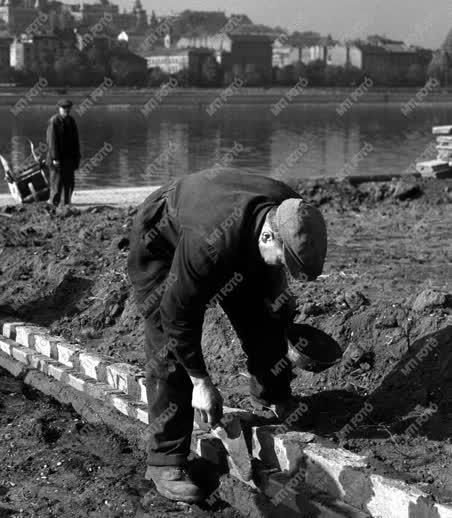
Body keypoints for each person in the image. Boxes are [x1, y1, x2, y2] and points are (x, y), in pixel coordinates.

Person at [127, 168, 328, 503]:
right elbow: (177, 315)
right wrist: (201, 382)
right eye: (284, 261)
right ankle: (165, 462)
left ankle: (274, 395)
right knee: (167, 348)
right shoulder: (208, 243)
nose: (283, 268)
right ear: (268, 237)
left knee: (267, 314)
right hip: (165, 237)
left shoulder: (290, 212)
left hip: (234, 237)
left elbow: (274, 284)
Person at [45, 99, 81, 208]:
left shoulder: (71, 120)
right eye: (64, 108)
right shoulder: (54, 121)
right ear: (59, 109)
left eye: (68, 108)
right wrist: (55, 158)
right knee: (57, 184)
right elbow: (52, 141)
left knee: (69, 183)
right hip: (57, 159)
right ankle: (53, 206)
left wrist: (77, 156)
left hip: (69, 159)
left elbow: (76, 140)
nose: (66, 110)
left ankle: (67, 204)